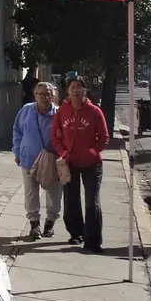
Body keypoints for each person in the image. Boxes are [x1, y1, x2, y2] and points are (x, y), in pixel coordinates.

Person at [52, 76, 110, 251]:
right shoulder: (63, 111)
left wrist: (92, 151)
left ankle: (93, 241)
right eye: (72, 87)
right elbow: (55, 135)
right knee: (71, 201)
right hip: (70, 163)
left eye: (78, 87)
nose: (75, 90)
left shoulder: (94, 111)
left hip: (92, 165)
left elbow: (104, 137)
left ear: (85, 91)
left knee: (92, 202)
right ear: (67, 90)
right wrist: (63, 152)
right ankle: (76, 234)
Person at [13, 82, 62, 239]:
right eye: (40, 94)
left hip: (52, 160)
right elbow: (17, 131)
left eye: (47, 94)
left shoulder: (58, 113)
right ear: (35, 96)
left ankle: (50, 224)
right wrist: (17, 151)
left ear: (53, 96)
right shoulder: (27, 110)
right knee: (30, 193)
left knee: (54, 193)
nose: (43, 97)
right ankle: (34, 225)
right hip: (29, 158)